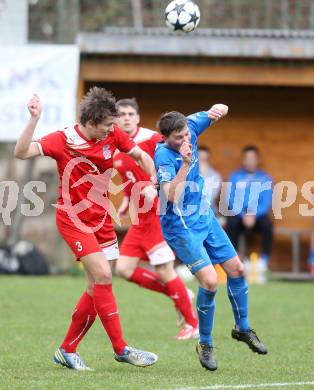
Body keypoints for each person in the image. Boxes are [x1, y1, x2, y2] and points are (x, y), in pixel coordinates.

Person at [14, 88, 158, 371]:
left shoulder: (112, 134)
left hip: (101, 217)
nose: (111, 131)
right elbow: (21, 153)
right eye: (106, 126)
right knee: (104, 275)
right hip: (73, 219)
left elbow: (141, 156)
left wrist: (152, 183)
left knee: (96, 288)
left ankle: (67, 350)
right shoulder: (62, 139)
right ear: (91, 123)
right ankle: (122, 348)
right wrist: (34, 119)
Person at [154, 106, 267, 371]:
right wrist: (184, 163)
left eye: (185, 135)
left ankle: (242, 327)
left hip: (204, 217)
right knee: (210, 280)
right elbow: (171, 196)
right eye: (178, 138)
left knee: (237, 269)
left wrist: (218, 109)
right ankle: (204, 344)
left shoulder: (191, 126)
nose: (184, 141)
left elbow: (219, 110)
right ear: (166, 138)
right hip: (180, 227)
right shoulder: (163, 156)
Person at [113, 98, 198, 340]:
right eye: (122, 114)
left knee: (164, 270)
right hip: (140, 219)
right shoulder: (117, 146)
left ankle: (193, 324)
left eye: (131, 113)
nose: (126, 117)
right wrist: (127, 200)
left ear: (138, 118)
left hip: (158, 215)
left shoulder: (152, 140)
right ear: (116, 119)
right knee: (124, 269)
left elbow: (171, 163)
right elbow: (130, 177)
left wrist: (158, 186)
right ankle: (180, 293)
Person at [226, 145, 273, 267]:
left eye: (253, 158)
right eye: (247, 158)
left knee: (267, 225)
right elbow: (230, 199)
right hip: (239, 215)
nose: (250, 161)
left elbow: (266, 202)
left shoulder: (265, 178)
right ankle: (234, 260)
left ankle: (263, 261)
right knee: (231, 224)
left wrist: (253, 215)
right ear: (243, 160)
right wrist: (243, 215)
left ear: (257, 160)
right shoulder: (234, 177)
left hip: (257, 215)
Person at [198, 145, 222, 215]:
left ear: (208, 159)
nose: (202, 161)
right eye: (200, 158)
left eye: (204, 159)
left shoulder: (216, 176)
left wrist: (203, 174)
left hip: (209, 212)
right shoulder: (187, 174)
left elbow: (210, 198)